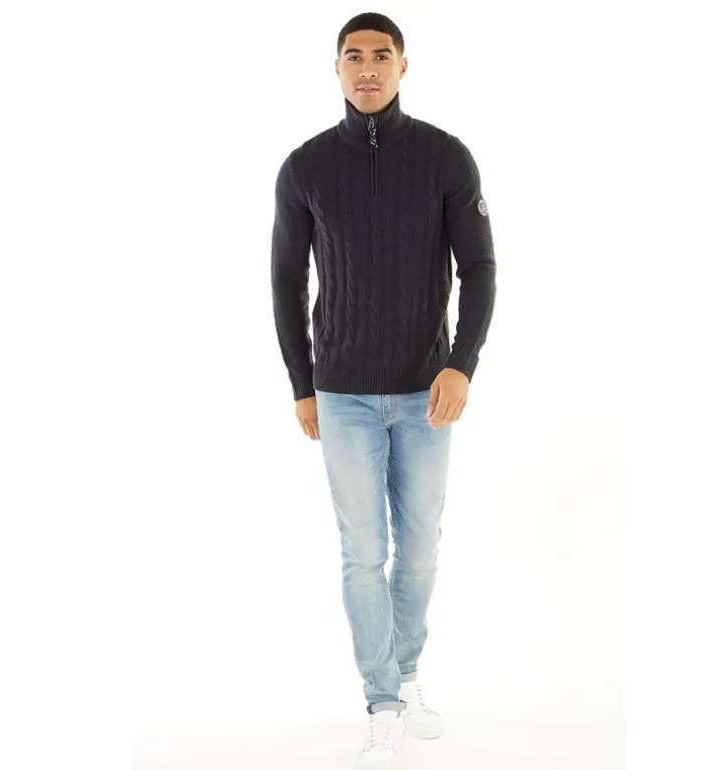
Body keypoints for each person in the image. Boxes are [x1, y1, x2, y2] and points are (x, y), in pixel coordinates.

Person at [270, 11, 497, 768]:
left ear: (403, 66)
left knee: (420, 548)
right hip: (341, 395)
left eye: (380, 55)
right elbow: (285, 278)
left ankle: (405, 672)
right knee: (363, 550)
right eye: (353, 56)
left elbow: (480, 268)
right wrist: (303, 383)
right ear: (336, 68)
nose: (366, 67)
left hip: (426, 393)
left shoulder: (445, 157)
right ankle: (382, 701)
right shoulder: (304, 167)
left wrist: (461, 363)